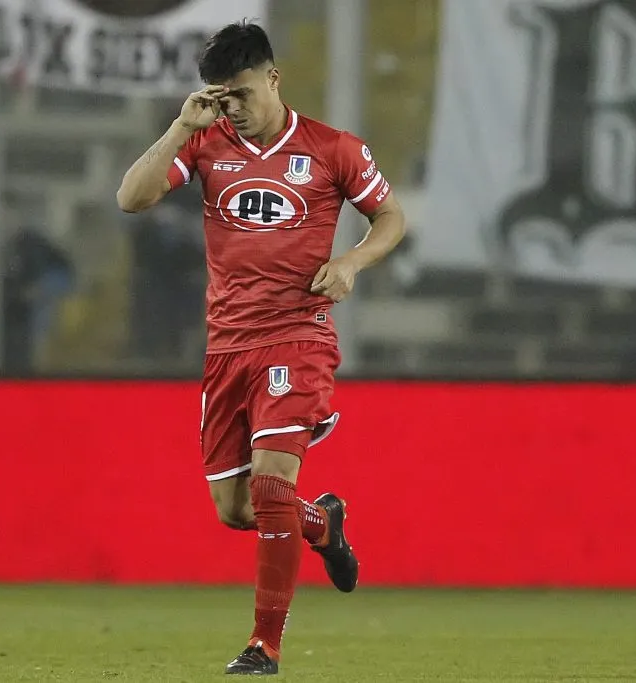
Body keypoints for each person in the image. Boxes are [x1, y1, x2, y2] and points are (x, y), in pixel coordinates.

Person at [116, 21, 406, 676]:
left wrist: (352, 262)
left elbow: (391, 216)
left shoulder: (331, 148)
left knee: (272, 482)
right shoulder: (206, 143)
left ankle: (264, 645)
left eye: (242, 93)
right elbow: (131, 198)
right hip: (227, 346)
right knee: (237, 508)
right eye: (222, 97)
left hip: (298, 334)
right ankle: (321, 524)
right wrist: (180, 128)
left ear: (273, 79)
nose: (234, 108)